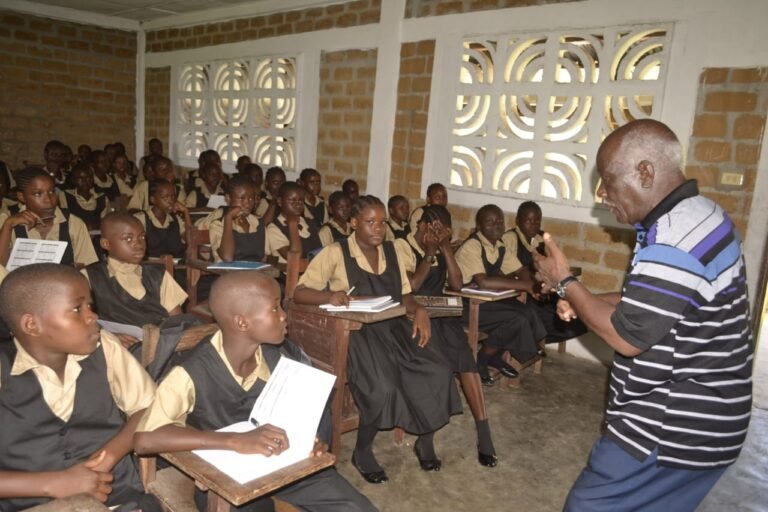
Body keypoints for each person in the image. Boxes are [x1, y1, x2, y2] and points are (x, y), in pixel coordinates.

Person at [533, 119, 754, 512]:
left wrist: (565, 282)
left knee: (586, 506)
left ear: (645, 172)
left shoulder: (675, 237)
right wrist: (588, 299)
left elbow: (628, 336)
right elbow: (655, 301)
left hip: (670, 429)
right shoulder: (700, 214)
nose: (601, 194)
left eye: (606, 180)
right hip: (711, 422)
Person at [134, 271, 378, 512]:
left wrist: (310, 440)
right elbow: (145, 440)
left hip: (284, 467)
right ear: (242, 322)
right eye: (275, 309)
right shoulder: (190, 372)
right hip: (227, 482)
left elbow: (300, 413)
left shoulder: (282, 358)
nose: (284, 316)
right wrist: (234, 441)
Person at [294, 195, 461, 483]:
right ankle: (362, 451)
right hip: (356, 333)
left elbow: (404, 295)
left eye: (382, 223)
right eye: (370, 222)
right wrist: (329, 296)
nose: (377, 229)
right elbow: (299, 292)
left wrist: (419, 309)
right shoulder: (336, 252)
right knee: (383, 386)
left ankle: (425, 439)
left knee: (439, 371)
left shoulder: (392, 250)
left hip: (393, 327)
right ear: (354, 223)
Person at [0, 263, 160, 511]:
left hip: (117, 497)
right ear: (32, 325)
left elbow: (147, 408)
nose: (92, 316)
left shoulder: (104, 347)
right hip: (31, 504)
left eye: (90, 306)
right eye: (77, 309)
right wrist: (53, 483)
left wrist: (107, 458)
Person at [396, 204, 497, 467]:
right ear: (421, 225)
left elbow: (456, 285)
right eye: (433, 228)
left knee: (467, 361)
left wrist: (446, 249)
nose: (438, 234)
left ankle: (483, 431)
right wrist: (429, 253)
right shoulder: (402, 246)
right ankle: (425, 438)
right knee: (438, 365)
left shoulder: (442, 247)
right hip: (413, 317)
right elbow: (412, 285)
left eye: (444, 231)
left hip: (442, 316)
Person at [454, 204, 546, 384]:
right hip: (464, 306)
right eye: (489, 222)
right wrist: (525, 285)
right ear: (479, 226)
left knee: (526, 311)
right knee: (515, 319)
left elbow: (521, 270)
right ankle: (482, 358)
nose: (496, 225)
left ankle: (493, 355)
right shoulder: (472, 246)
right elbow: (483, 281)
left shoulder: (500, 246)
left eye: (499, 222)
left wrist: (534, 285)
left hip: (484, 302)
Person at [84, 212, 187, 350]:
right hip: (116, 350)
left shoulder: (158, 275)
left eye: (142, 237)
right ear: (106, 243)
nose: (139, 244)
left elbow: (177, 321)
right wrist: (106, 335)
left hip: (162, 347)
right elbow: (80, 323)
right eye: (128, 239)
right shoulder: (89, 277)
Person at [503, 201, 587, 347]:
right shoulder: (510, 238)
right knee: (554, 319)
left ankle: (532, 339)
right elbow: (511, 270)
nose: (533, 224)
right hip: (522, 292)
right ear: (518, 220)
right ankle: (529, 340)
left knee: (577, 317)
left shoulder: (539, 239)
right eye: (528, 220)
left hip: (540, 290)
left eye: (537, 221)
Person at [0, 167, 98, 267]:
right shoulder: (7, 221)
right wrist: (8, 226)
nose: (48, 200)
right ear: (21, 197)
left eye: (51, 192)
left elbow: (87, 268)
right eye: (38, 194)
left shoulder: (73, 223)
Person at [209, 175, 271, 263]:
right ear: (228, 198)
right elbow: (227, 257)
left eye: (251, 198)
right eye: (242, 198)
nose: (247, 204)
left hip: (254, 274)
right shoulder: (218, 225)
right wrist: (228, 218)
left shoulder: (258, 224)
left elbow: (264, 257)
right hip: (229, 274)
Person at [267, 182, 322, 264]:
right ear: (280, 201)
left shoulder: (309, 223)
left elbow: (320, 253)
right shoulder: (274, 228)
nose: (298, 205)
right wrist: (293, 225)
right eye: (292, 200)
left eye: (301, 201)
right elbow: (294, 257)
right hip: (290, 275)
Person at [135, 179, 190, 259]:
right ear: (153, 199)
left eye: (173, 197)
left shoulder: (175, 219)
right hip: (151, 267)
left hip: (177, 266)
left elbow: (190, 239)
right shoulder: (141, 218)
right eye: (165, 197)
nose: (170, 201)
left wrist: (186, 212)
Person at [61, 163, 109, 232]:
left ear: (92, 179)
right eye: (80, 178)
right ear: (73, 180)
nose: (85, 181)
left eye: (88, 177)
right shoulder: (65, 196)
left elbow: (106, 223)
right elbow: (65, 220)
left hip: (97, 237)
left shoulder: (102, 199)